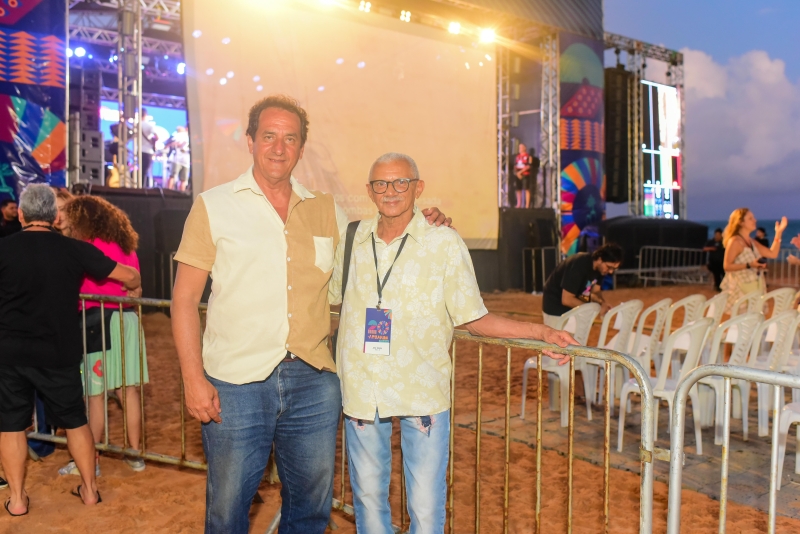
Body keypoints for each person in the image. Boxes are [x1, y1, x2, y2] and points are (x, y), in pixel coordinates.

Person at [170, 94, 450, 533]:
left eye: (290, 139)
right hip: (236, 384)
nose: (279, 147)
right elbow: (184, 299)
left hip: (314, 383)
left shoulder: (327, 210)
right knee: (227, 511)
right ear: (250, 141)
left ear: (301, 148)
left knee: (311, 511)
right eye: (269, 136)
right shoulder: (213, 205)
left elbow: (380, 238)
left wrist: (424, 220)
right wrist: (192, 379)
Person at [328, 152, 577, 533]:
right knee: (368, 502)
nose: (390, 191)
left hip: (423, 393)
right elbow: (325, 298)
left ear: (418, 188)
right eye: (381, 183)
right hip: (363, 390)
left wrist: (541, 332)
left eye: (400, 182)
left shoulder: (444, 242)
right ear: (369, 190)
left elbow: (475, 319)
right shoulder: (352, 238)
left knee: (426, 510)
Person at [0, 184, 140, 516]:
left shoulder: (4, 248)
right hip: (58, 351)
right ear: (55, 216)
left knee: (11, 425)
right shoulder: (74, 249)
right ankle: (89, 491)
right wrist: (134, 285)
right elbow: (129, 275)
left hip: (10, 352)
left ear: (21, 215)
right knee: (76, 421)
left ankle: (17, 500)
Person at [57, 196, 148, 476]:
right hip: (127, 320)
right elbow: (136, 285)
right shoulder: (125, 244)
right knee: (128, 391)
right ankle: (135, 453)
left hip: (98, 321)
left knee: (95, 395)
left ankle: (91, 459)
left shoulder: (86, 246)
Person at [720, 208, 788, 314]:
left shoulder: (751, 241)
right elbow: (727, 266)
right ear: (741, 222)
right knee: (744, 321)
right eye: (750, 218)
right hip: (741, 291)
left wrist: (778, 233)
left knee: (755, 320)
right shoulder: (735, 241)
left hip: (755, 288)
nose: (755, 220)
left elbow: (772, 253)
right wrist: (749, 265)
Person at [541, 244, 623, 326]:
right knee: (557, 334)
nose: (610, 272)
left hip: (573, 306)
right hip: (555, 306)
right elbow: (567, 300)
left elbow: (596, 292)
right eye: (609, 267)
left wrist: (602, 303)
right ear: (599, 259)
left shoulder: (601, 270)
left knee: (575, 334)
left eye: (614, 269)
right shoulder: (580, 264)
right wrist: (592, 309)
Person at [167, 126, 190, 191]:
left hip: (186, 161)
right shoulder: (179, 135)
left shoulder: (190, 137)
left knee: (183, 179)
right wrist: (181, 144)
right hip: (177, 159)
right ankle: (168, 192)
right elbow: (172, 144)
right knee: (172, 176)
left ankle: (181, 194)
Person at [140, 109, 158, 187]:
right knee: (145, 171)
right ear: (146, 115)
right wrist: (153, 142)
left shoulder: (136, 125)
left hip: (138, 150)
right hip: (148, 151)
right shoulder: (149, 125)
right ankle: (142, 188)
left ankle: (138, 187)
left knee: (140, 170)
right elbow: (157, 137)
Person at [514, 143, 533, 208]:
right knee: (518, 189)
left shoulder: (528, 156)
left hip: (525, 174)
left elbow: (529, 166)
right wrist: (517, 173)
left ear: (525, 148)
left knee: (527, 189)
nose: (520, 149)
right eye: (519, 147)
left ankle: (527, 205)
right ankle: (518, 204)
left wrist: (521, 172)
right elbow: (515, 166)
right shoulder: (517, 156)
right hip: (518, 175)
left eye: (521, 147)